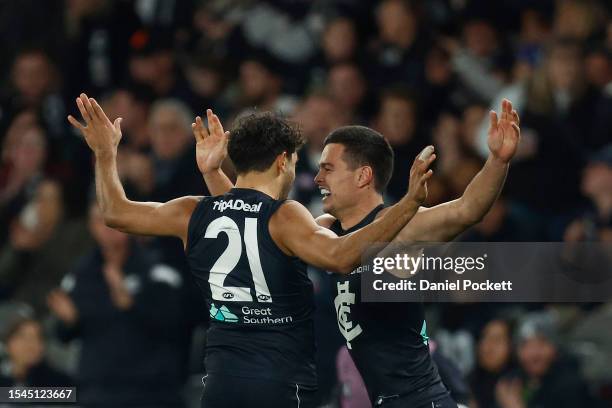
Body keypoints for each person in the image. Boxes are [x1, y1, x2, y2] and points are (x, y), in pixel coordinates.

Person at [67, 93, 434, 407]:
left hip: (222, 383)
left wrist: (104, 153)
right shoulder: (286, 216)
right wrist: (408, 203)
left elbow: (115, 212)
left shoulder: (191, 211)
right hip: (281, 383)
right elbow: (340, 257)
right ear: (282, 161)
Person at [198, 99, 520, 407]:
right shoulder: (327, 230)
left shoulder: (400, 228)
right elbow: (254, 227)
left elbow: (467, 210)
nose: (318, 178)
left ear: (363, 176)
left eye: (328, 169)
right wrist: (214, 174)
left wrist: (498, 161)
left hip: (422, 400)